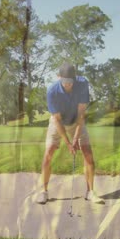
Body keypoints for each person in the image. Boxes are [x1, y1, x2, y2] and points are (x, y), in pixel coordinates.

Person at [36, 62, 104, 204]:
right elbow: (58, 121)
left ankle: (90, 192)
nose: (68, 84)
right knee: (48, 154)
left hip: (76, 120)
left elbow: (81, 115)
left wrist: (76, 138)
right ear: (58, 77)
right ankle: (44, 192)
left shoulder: (83, 84)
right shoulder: (52, 91)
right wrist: (68, 143)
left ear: (75, 78)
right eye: (64, 81)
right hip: (58, 123)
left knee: (88, 154)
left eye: (70, 81)